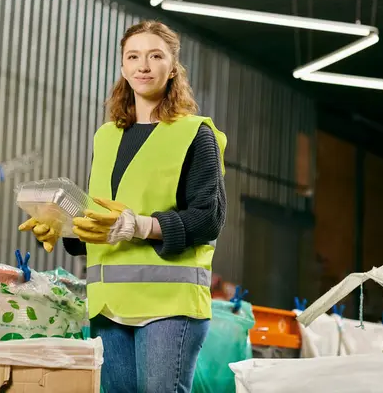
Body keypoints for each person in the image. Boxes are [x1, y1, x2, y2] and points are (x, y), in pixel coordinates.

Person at [19, 20, 227, 393]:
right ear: (122, 67)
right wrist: (63, 225)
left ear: (172, 66)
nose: (143, 66)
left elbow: (208, 218)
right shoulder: (107, 136)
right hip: (108, 306)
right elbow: (100, 219)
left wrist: (140, 226)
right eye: (133, 56)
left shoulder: (195, 133)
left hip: (169, 307)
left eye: (155, 56)